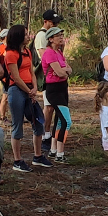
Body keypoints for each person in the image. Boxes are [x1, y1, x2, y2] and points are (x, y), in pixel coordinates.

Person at [4, 24, 51, 172]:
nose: (28, 37)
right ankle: (17, 160)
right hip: (17, 91)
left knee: (38, 121)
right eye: (25, 34)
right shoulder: (10, 54)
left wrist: (34, 88)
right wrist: (28, 90)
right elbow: (16, 77)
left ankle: (38, 156)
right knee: (17, 124)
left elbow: (31, 72)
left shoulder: (27, 52)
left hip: (29, 89)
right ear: (18, 36)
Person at [40, 26, 72, 161]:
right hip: (54, 90)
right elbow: (60, 72)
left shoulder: (58, 52)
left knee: (59, 120)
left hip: (62, 88)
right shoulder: (49, 53)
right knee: (67, 121)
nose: (61, 38)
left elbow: (69, 69)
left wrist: (65, 71)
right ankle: (60, 153)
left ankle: (53, 150)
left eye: (61, 35)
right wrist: (64, 72)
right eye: (58, 36)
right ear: (51, 39)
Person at [33, 9, 62, 151]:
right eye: (53, 23)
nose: (55, 25)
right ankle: (45, 135)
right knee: (48, 107)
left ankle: (48, 133)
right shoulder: (41, 36)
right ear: (46, 22)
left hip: (54, 76)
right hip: (47, 76)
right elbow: (45, 56)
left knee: (51, 106)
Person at [0, 28, 10, 124]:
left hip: (8, 74)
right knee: (5, 96)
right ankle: (2, 117)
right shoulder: (2, 47)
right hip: (5, 76)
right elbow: (7, 55)